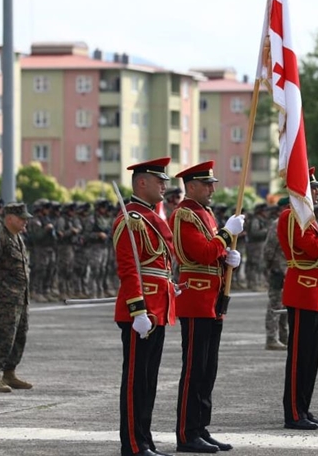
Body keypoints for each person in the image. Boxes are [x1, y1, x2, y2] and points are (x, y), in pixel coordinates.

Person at [170, 160, 244, 454]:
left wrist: (229, 259)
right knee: (194, 369)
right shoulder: (185, 214)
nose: (212, 190)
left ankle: (201, 427)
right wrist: (225, 235)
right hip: (196, 298)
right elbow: (201, 253)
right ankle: (187, 433)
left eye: (212, 184)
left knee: (208, 369)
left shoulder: (206, 213)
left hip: (212, 298)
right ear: (191, 187)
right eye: (206, 185)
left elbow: (214, 253)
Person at [114, 158, 177, 456]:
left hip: (158, 308)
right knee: (136, 381)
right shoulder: (131, 219)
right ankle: (133, 444)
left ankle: (145, 439)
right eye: (159, 180)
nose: (164, 185)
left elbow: (159, 265)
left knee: (149, 381)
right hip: (142, 312)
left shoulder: (149, 217)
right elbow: (129, 269)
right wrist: (138, 310)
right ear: (141, 182)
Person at [279, 167, 318, 430]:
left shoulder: (308, 218)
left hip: (314, 292)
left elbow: (316, 252)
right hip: (301, 291)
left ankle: (304, 408)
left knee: (311, 356)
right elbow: (313, 247)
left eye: (316, 188)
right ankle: (294, 412)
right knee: (299, 357)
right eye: (312, 188)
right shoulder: (292, 216)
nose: (316, 192)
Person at [0, 202, 33, 393]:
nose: (25, 221)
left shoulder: (17, 238)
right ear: (9, 218)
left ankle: (9, 373)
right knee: (3, 337)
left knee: (19, 336)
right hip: (5, 298)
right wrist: (1, 282)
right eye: (21, 218)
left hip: (20, 298)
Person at [262, 198, 290, 351]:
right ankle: (271, 338)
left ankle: (284, 337)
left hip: (289, 270)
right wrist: (268, 267)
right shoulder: (278, 223)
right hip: (278, 270)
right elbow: (269, 249)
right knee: (275, 305)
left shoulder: (293, 222)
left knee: (286, 306)